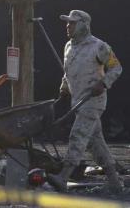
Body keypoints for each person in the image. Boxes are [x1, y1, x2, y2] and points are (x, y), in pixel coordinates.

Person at [48, 10, 123, 193]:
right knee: (95, 143)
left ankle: (63, 177)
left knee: (78, 135)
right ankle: (114, 181)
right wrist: (64, 88)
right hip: (78, 101)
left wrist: (103, 83)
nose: (68, 26)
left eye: (72, 23)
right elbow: (68, 71)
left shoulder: (99, 46)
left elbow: (116, 68)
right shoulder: (68, 47)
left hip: (93, 101)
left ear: (83, 25)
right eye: (67, 23)